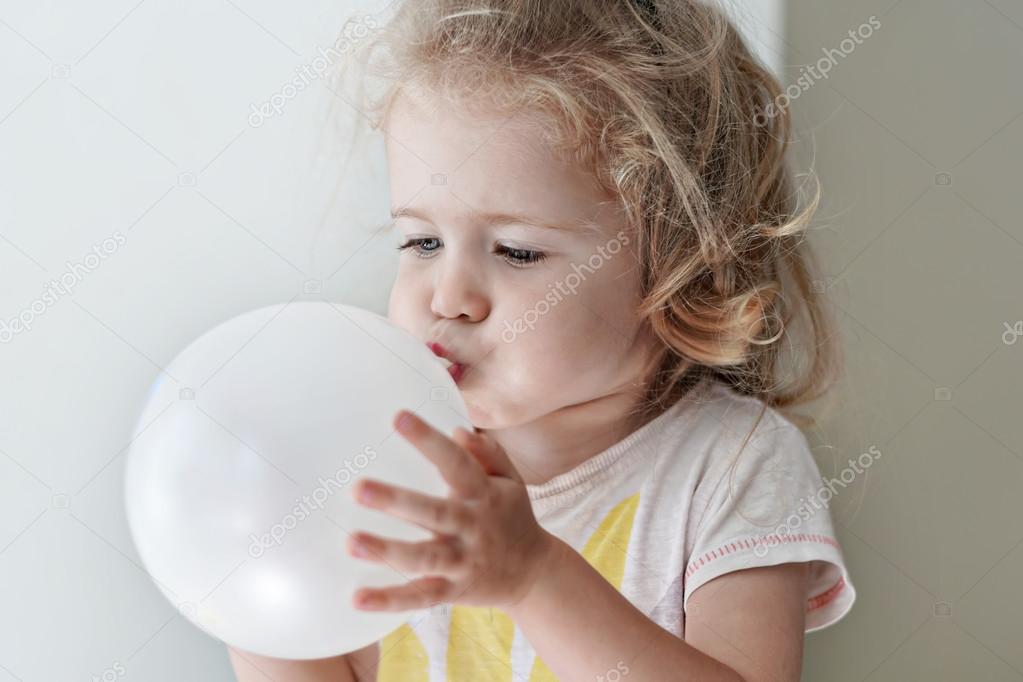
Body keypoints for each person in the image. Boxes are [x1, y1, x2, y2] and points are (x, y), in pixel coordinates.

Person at [230, 0, 855, 679]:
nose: (448, 297)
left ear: (679, 270)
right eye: (422, 241)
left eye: (517, 252)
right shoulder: (386, 463)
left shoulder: (732, 464)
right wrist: (259, 591)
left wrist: (532, 577)